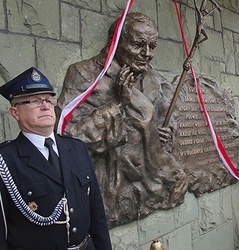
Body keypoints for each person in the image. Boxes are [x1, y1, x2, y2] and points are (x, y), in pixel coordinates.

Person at [56, 12, 188, 227]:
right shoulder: (84, 75)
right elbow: (70, 139)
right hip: (110, 187)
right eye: (138, 45)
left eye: (152, 46)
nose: (146, 53)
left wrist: (161, 134)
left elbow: (167, 123)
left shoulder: (155, 80)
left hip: (151, 185)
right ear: (116, 41)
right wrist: (118, 104)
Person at [0, 67, 112, 249]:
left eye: (48, 99)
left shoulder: (76, 148)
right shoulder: (5, 160)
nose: (45, 106)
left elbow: (96, 212)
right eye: (35, 101)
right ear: (15, 113)